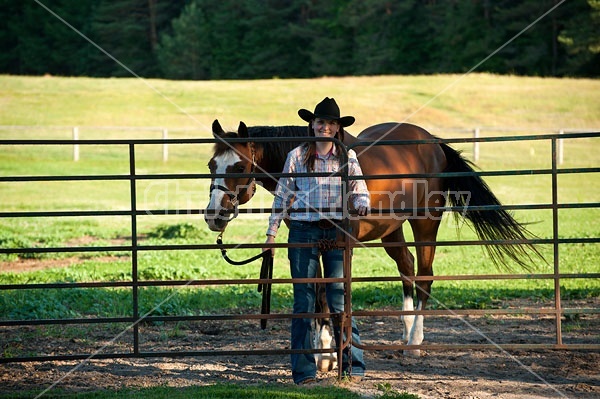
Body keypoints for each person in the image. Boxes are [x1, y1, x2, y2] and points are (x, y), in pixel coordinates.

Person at [264, 97, 370, 385]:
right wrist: (272, 233)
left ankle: (352, 366)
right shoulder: (297, 156)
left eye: (331, 123)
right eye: (320, 122)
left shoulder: (347, 157)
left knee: (339, 298)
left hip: (336, 232)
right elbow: (283, 195)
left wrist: (361, 203)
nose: (325, 127)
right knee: (304, 303)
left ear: (337, 128)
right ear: (312, 125)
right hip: (302, 231)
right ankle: (304, 372)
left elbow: (360, 188)